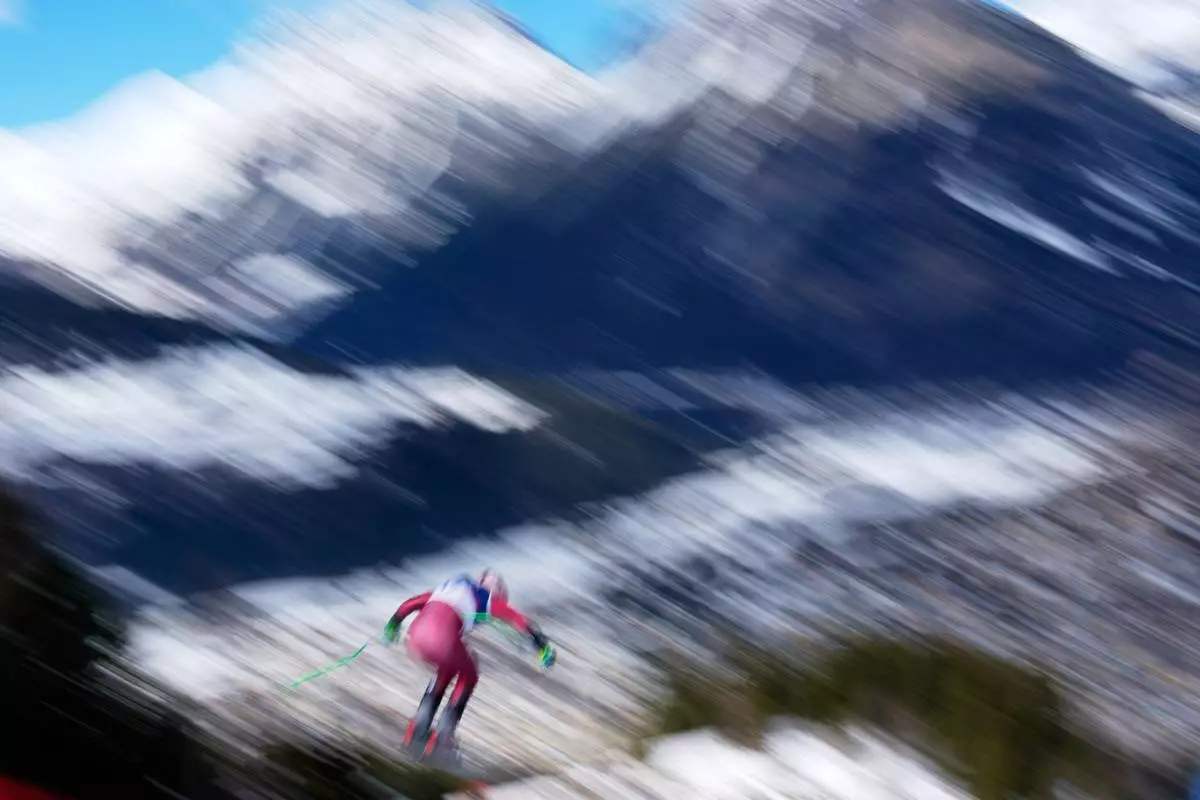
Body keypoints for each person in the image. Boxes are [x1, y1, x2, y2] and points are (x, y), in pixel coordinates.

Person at [380, 570, 556, 757]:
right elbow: (519, 620)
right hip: (442, 639)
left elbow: (408, 605)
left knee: (448, 668)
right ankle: (443, 739)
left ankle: (415, 735)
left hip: (415, 638)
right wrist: (542, 647)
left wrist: (391, 628)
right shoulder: (485, 598)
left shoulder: (448, 588)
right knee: (469, 672)